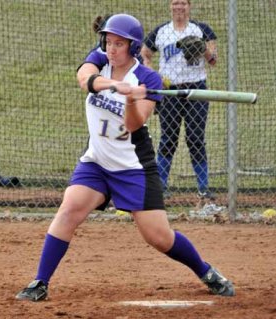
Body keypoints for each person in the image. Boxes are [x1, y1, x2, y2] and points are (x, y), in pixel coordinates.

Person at [16, 13, 234, 302]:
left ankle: (205, 271)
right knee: (69, 209)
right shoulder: (99, 59)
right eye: (109, 41)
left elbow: (134, 124)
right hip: (96, 161)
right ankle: (40, 282)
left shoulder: (147, 78)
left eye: (119, 43)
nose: (111, 48)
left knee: (159, 237)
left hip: (133, 167)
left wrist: (132, 99)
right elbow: (85, 79)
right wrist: (114, 86)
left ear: (132, 47)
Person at [141, 0, 218, 200]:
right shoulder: (161, 31)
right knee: (168, 139)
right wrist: (154, 78)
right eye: (175, 2)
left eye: (183, 2)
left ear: (189, 6)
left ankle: (203, 190)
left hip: (196, 90)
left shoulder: (202, 30)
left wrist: (204, 49)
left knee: (195, 138)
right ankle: (161, 187)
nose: (179, 6)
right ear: (170, 6)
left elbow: (213, 61)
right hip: (170, 92)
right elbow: (145, 54)